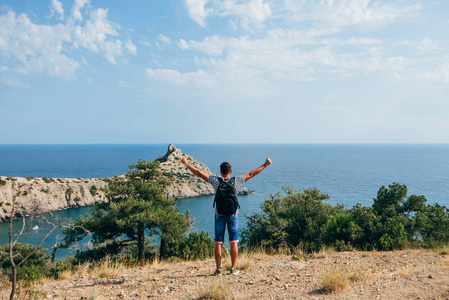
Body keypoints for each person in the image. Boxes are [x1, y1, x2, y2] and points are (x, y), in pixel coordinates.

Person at [180, 155, 271, 275]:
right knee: (233, 242)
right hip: (233, 214)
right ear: (231, 171)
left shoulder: (215, 181)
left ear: (220, 171)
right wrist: (265, 164)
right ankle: (233, 269)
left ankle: (218, 270)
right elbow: (252, 173)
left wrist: (186, 163)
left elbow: (199, 173)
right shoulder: (237, 181)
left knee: (218, 242)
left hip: (219, 214)